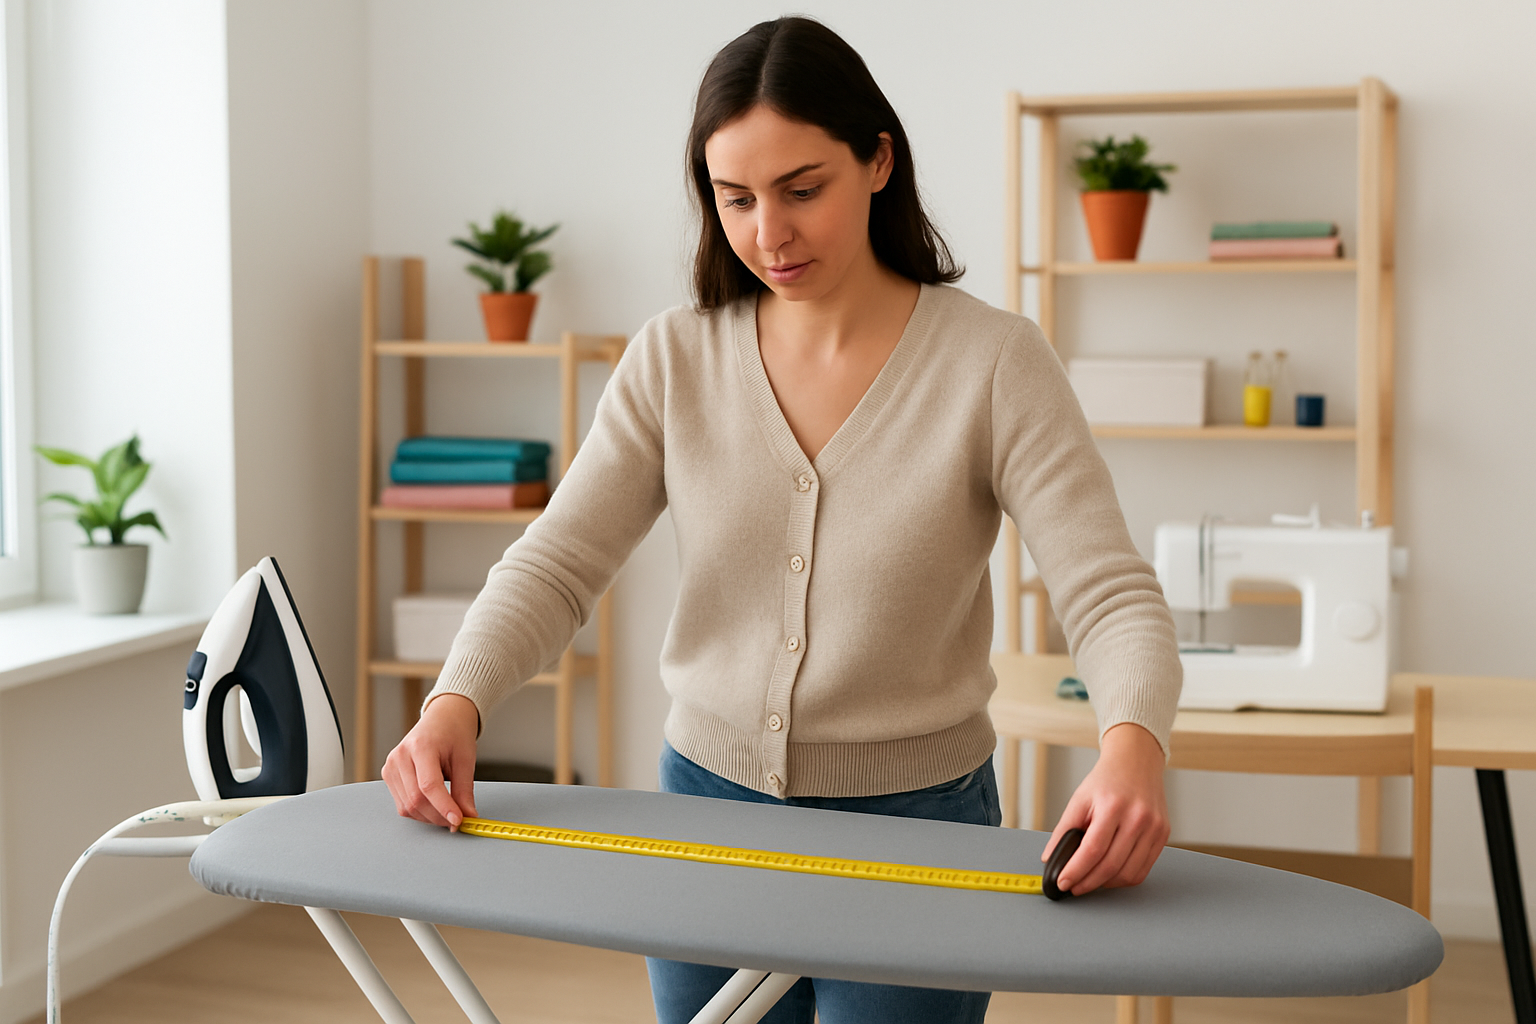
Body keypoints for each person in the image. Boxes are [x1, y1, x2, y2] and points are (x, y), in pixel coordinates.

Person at [384, 15, 1181, 1024]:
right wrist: (456, 701)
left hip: (920, 831)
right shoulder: (674, 360)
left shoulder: (994, 363)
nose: (770, 232)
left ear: (878, 161)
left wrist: (1133, 742)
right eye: (736, 199)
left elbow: (1109, 592)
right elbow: (557, 562)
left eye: (803, 189)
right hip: (704, 817)